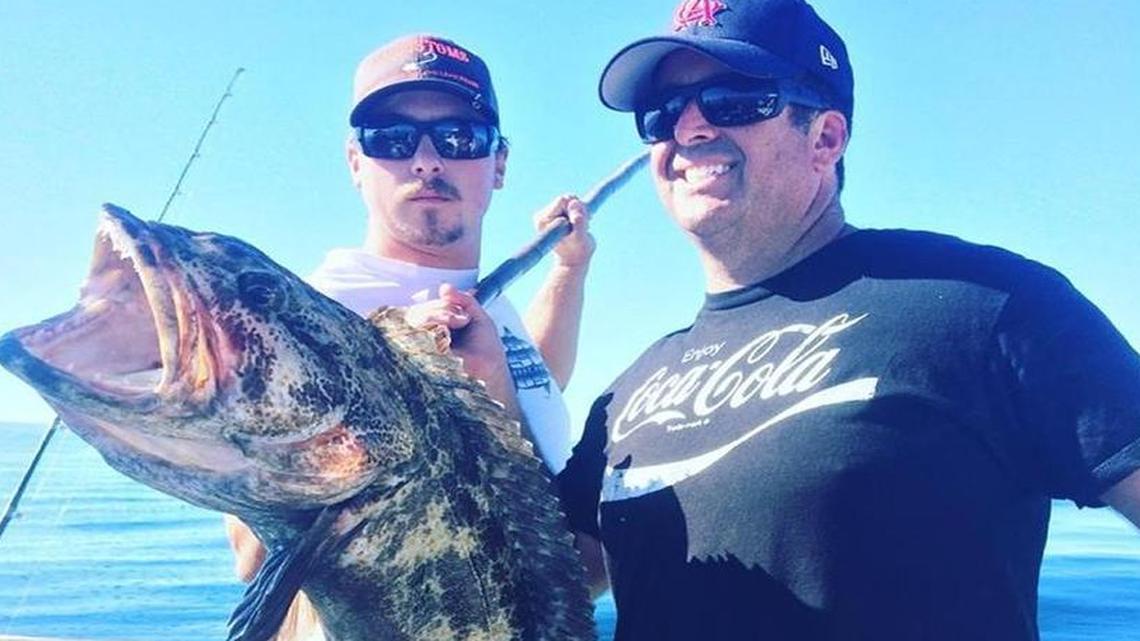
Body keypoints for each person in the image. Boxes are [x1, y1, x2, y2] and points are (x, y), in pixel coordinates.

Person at [557, 1, 1140, 639]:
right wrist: (465, 376)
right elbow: (533, 583)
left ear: (826, 138)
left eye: (734, 98)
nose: (689, 128)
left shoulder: (988, 303)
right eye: (663, 112)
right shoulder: (626, 393)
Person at [224, 33, 596, 640]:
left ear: (498, 163)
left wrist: (569, 270)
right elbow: (253, 554)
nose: (426, 161)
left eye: (458, 138)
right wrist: (398, 385)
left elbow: (539, 385)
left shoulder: (486, 303)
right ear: (355, 163)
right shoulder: (324, 319)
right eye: (392, 140)